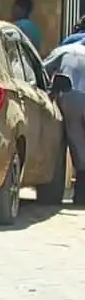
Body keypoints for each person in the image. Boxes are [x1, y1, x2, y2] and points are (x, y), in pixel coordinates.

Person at [43, 39, 85, 205]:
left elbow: (42, 71)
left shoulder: (64, 51)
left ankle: (81, 194)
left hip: (72, 99)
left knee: (76, 142)